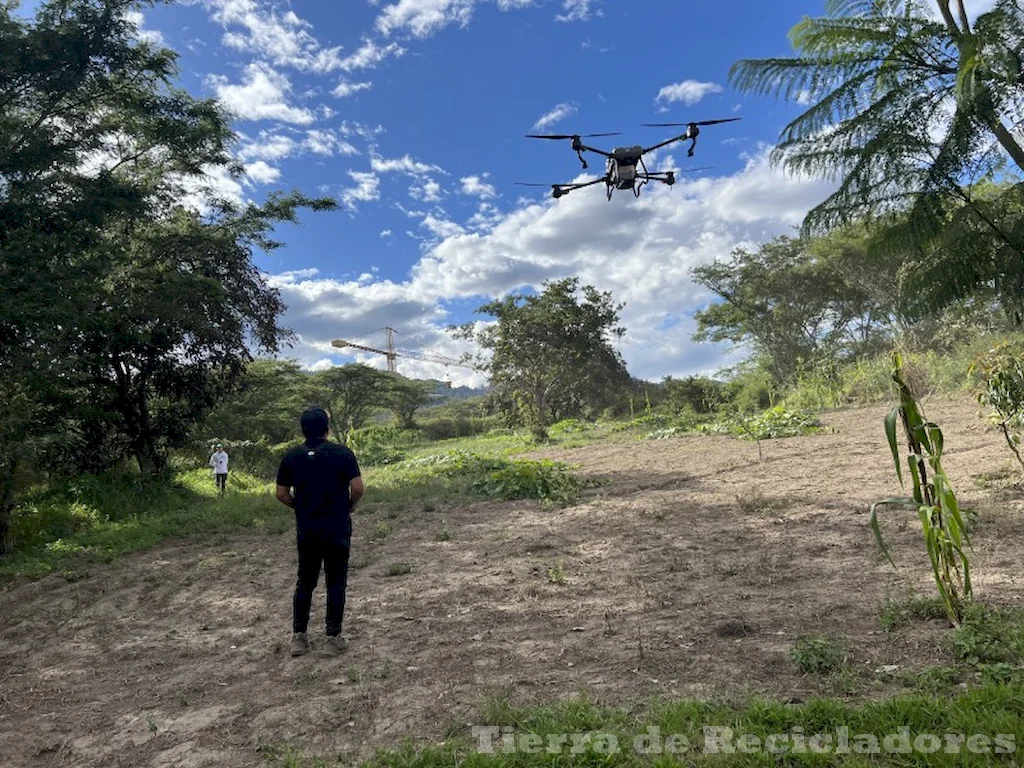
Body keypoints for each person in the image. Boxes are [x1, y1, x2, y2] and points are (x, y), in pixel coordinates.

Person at [275, 408, 364, 657]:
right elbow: (358, 487)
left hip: (308, 528)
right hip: (337, 527)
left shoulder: (291, 456)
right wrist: (349, 505)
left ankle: (299, 638)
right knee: (336, 582)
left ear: (303, 429)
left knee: (305, 581)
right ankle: (332, 638)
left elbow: (281, 494)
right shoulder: (342, 453)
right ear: (327, 428)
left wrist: (300, 507)